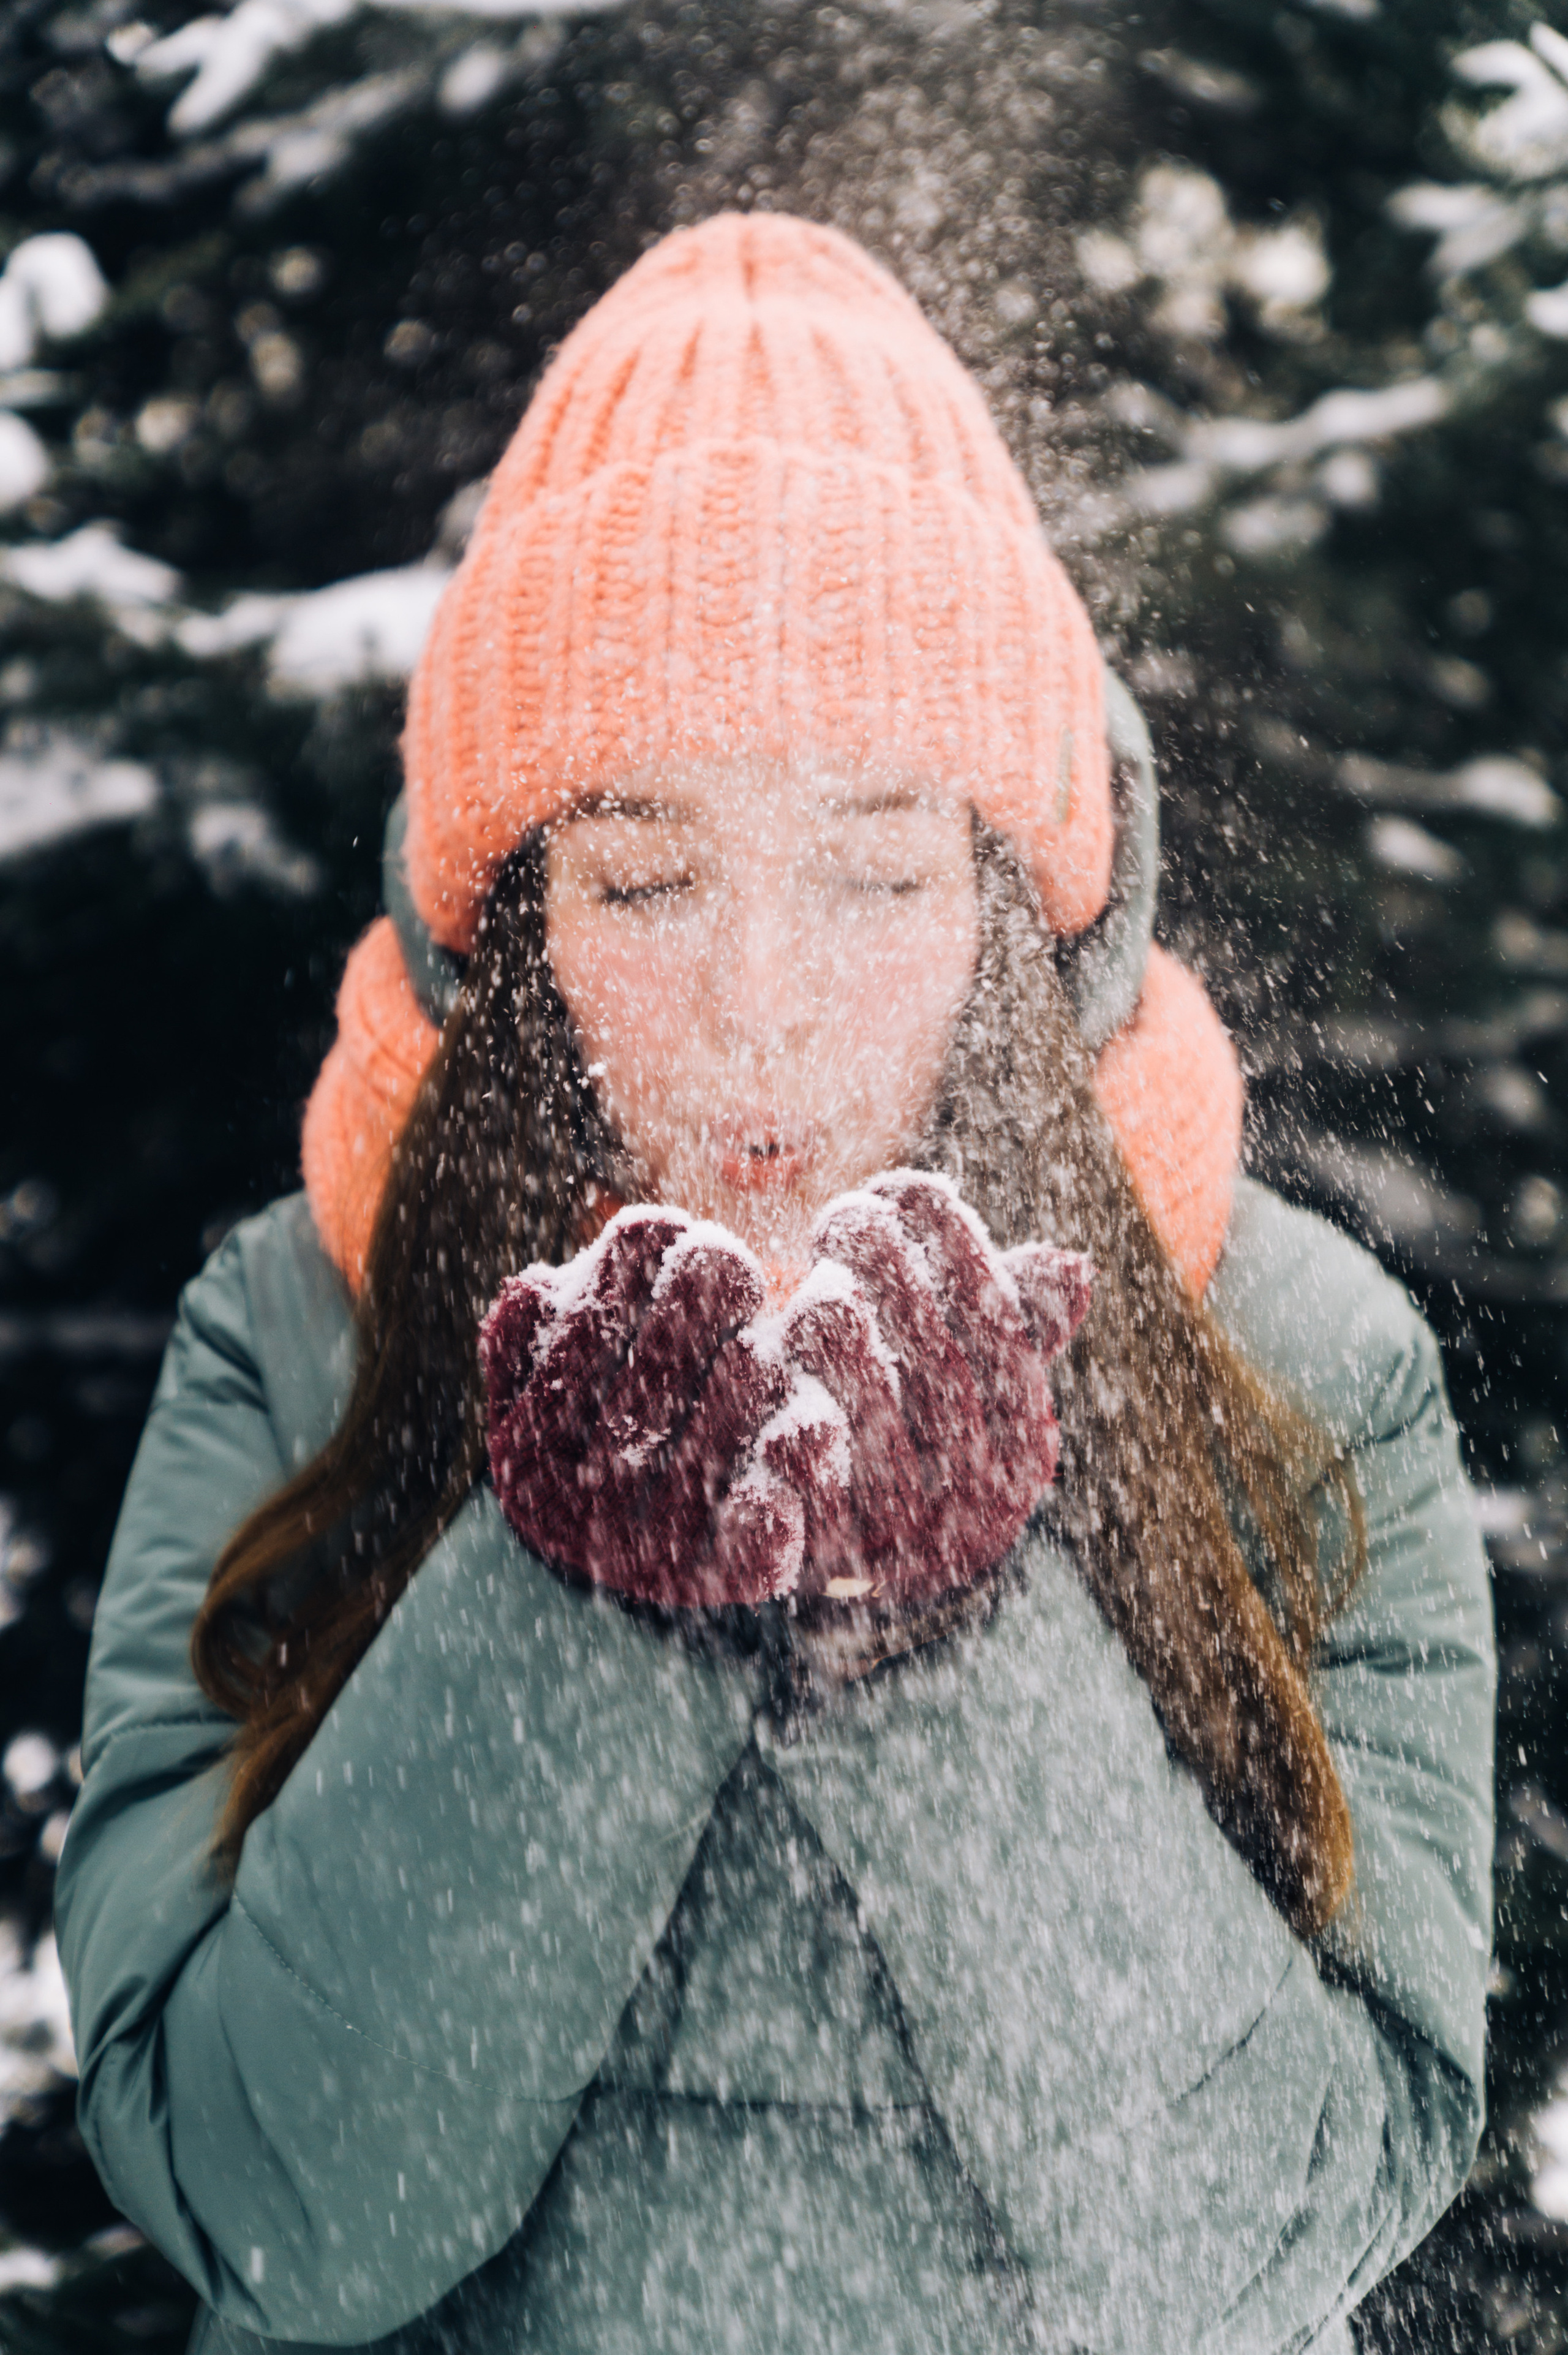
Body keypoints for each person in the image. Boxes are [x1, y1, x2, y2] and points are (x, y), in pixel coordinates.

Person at [55, 213, 1494, 2355]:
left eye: (879, 871)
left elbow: (1277, 2234)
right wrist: (576, 1604)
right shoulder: (300, 1327)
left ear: (1014, 907)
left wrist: (948, 1654)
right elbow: (270, 2211)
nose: (761, 1009)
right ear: (514, 927)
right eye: (646, 876)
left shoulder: (1294, 1356)